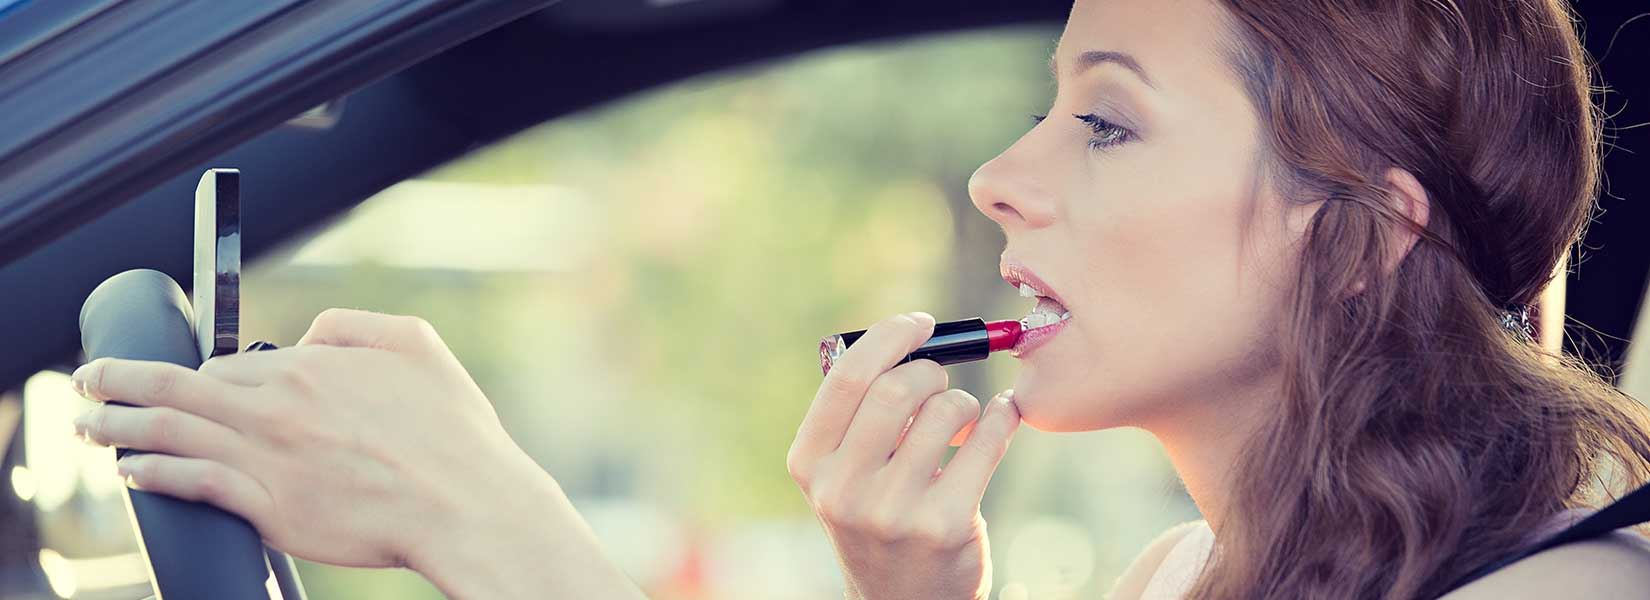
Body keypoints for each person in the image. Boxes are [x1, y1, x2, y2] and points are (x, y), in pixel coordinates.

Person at [65, 0, 1650, 597]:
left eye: (1102, 118)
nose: (997, 178)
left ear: (1359, 235)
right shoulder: (1185, 576)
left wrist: (503, 535)